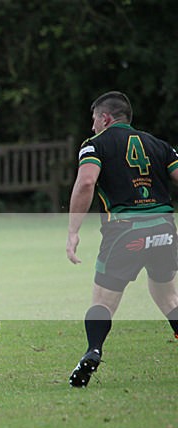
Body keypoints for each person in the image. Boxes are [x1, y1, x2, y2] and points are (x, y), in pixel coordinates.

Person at [66, 91, 178, 387]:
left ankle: (93, 350)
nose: (92, 128)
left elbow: (87, 181)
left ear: (105, 118)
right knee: (168, 298)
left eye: (94, 120)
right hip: (165, 229)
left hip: (126, 232)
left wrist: (73, 230)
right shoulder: (159, 145)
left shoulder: (95, 145)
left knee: (103, 302)